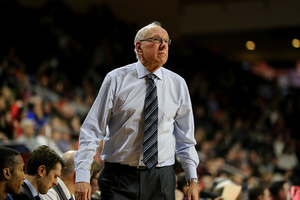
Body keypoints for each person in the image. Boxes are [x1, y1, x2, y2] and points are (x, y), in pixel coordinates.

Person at [74, 21, 199, 200]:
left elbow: (185, 139)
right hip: (119, 177)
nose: (163, 45)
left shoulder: (178, 84)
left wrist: (192, 180)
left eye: (166, 41)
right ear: (139, 47)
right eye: (156, 40)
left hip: (161, 178)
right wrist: (83, 176)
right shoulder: (116, 79)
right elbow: (92, 130)